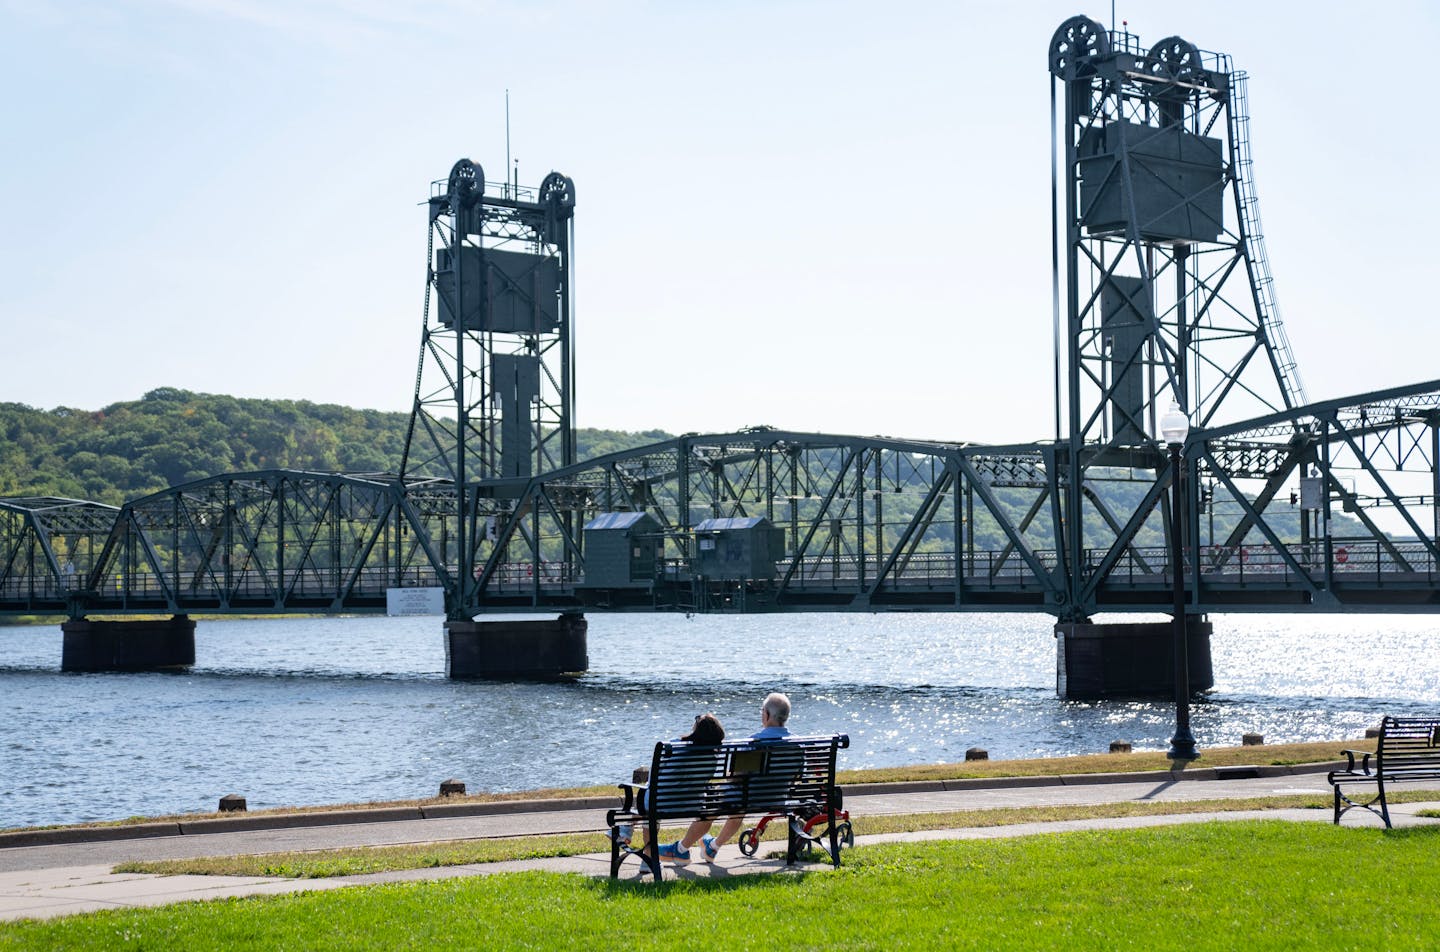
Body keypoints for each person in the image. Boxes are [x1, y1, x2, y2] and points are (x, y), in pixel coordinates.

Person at [658, 692, 792, 863]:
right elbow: (795, 776)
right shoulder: (797, 744)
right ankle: (712, 847)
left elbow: (737, 777)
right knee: (738, 803)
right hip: (778, 798)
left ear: (766, 714)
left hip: (749, 798)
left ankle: (680, 849)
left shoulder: (754, 743)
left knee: (717, 802)